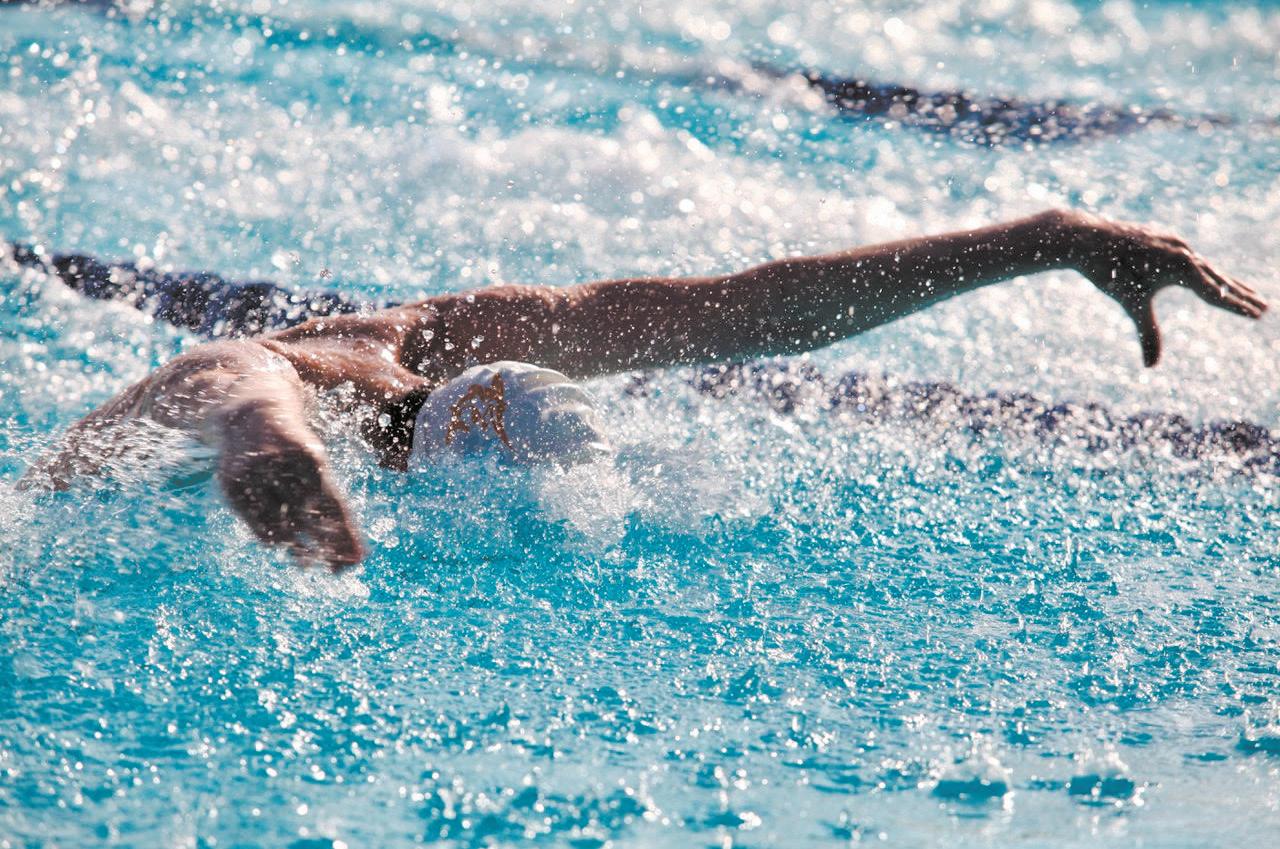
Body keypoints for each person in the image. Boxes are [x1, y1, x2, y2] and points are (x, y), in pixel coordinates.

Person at [12, 210, 1267, 570]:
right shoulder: (300, 373)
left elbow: (757, 308)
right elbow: (236, 377)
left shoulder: (453, 335)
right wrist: (263, 444)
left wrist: (1043, 239)